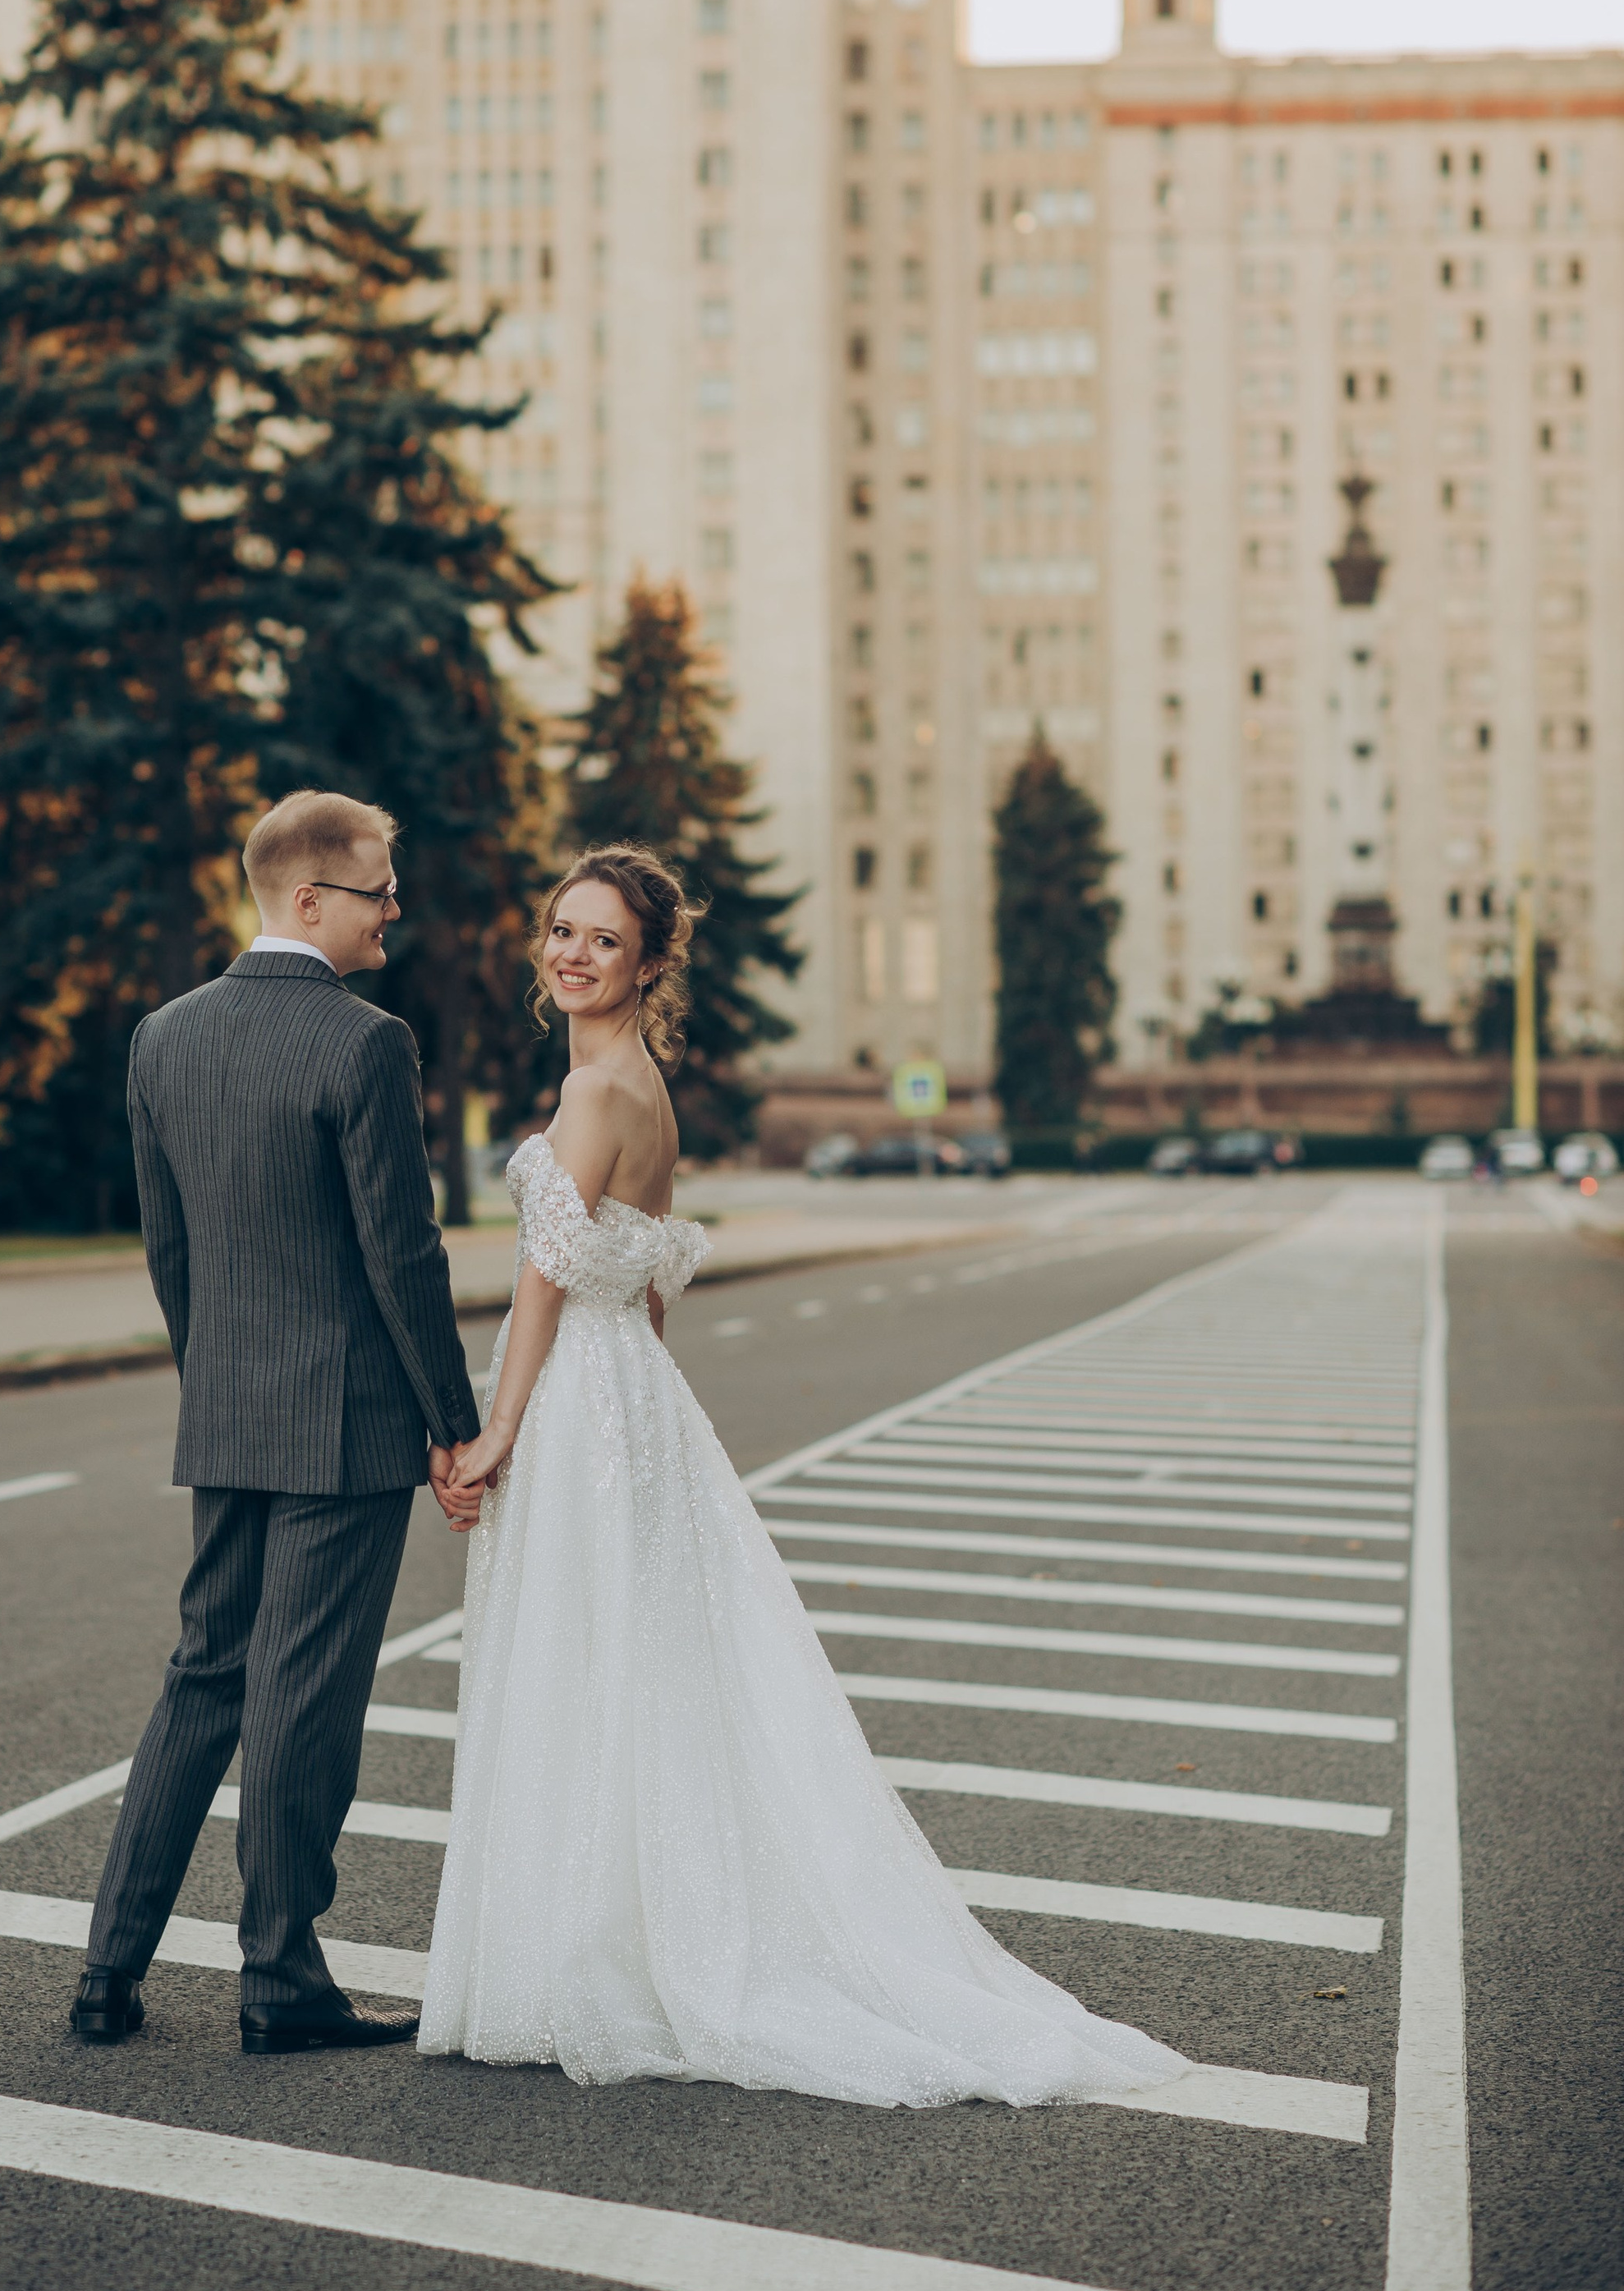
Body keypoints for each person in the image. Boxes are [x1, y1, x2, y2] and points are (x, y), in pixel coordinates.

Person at [417, 845, 1189, 2110]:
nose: (573, 955)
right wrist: (649, 1417)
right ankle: (609, 1932)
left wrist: (500, 1429)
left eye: (603, 940)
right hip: (630, 1400)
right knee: (641, 1666)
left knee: (583, 1658)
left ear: (648, 964)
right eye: (562, 930)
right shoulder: (642, 1085)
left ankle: (586, 1955)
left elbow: (546, 1281)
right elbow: (649, 1282)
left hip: (579, 1398)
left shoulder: (596, 1090)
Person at [73, 790, 484, 2058]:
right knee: (304, 1700)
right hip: (348, 1430)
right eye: (378, 889)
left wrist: (217, 1385)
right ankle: (280, 1983)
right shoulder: (365, 1043)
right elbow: (402, 1254)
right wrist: (454, 1423)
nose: (395, 908)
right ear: (308, 898)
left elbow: (170, 1251)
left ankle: (107, 1972)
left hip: (231, 1414)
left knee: (204, 1679)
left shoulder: (163, 1037)